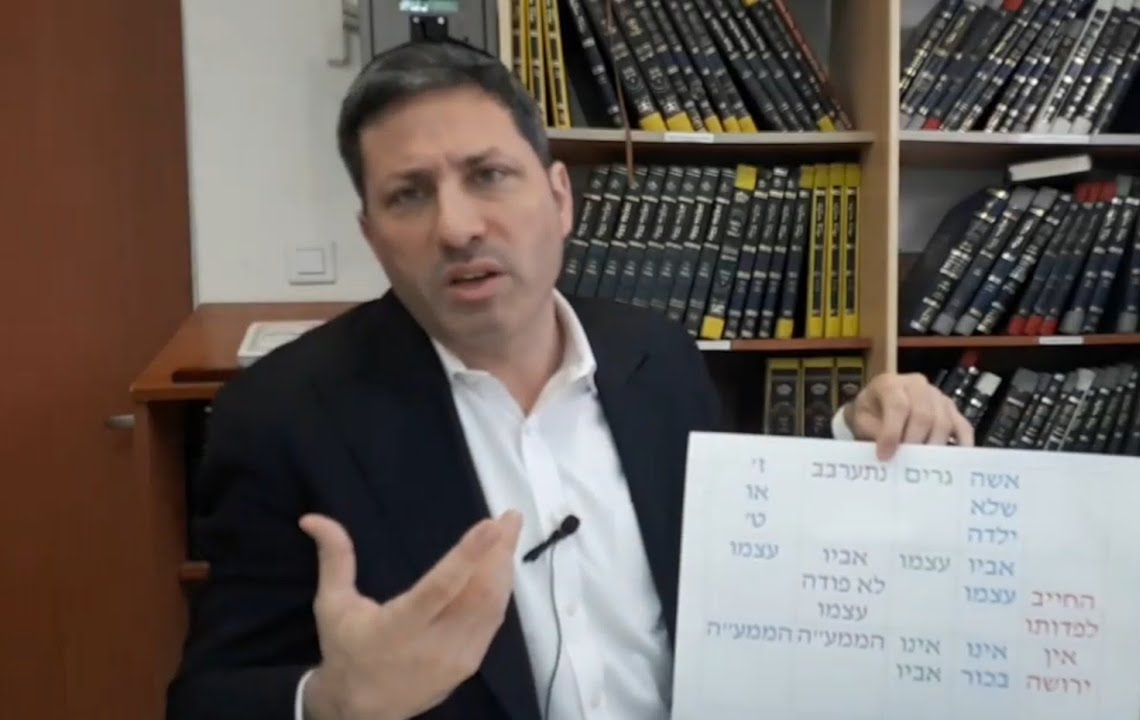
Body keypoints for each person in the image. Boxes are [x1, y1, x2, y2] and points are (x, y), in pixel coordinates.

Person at [165, 38, 973, 720]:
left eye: (489, 175)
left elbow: (736, 553)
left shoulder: (658, 357)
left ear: (560, 199)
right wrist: (331, 700)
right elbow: (207, 699)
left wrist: (858, 442)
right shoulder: (279, 416)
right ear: (373, 237)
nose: (457, 227)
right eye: (409, 196)